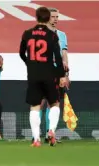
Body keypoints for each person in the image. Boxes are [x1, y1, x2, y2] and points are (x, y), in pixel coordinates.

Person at [19, 6, 67, 147]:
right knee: (55, 103)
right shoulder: (52, 35)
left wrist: (30, 63)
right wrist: (62, 76)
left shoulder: (27, 33)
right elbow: (58, 58)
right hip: (49, 74)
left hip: (33, 74)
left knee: (35, 106)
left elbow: (21, 53)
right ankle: (51, 130)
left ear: (36, 17)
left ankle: (36, 139)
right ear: (48, 18)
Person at [41, 7, 70, 143]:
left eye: (57, 17)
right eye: (53, 17)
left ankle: (49, 134)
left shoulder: (62, 35)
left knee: (53, 104)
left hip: (57, 73)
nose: (55, 19)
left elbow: (64, 55)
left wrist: (66, 74)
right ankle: (36, 135)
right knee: (39, 103)